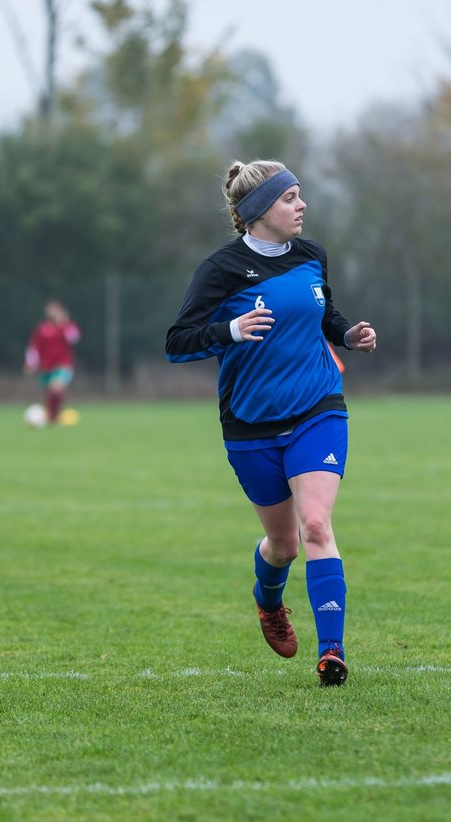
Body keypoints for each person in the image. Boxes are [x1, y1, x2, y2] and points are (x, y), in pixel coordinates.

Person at [165, 160, 378, 686]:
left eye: (300, 196)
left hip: (317, 408)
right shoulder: (220, 270)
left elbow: (324, 313)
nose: (301, 205)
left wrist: (347, 334)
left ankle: (332, 652)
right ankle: (268, 601)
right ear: (259, 212)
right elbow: (177, 342)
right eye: (289, 199)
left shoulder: (312, 256)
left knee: (316, 526)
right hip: (250, 423)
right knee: (281, 546)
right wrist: (229, 330)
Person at [24, 300, 81, 424]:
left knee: (56, 388)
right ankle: (52, 417)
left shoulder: (67, 327)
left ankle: (54, 416)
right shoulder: (42, 329)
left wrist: (64, 323)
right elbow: (34, 347)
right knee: (50, 393)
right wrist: (30, 363)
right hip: (46, 366)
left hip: (63, 364)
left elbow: (74, 339)